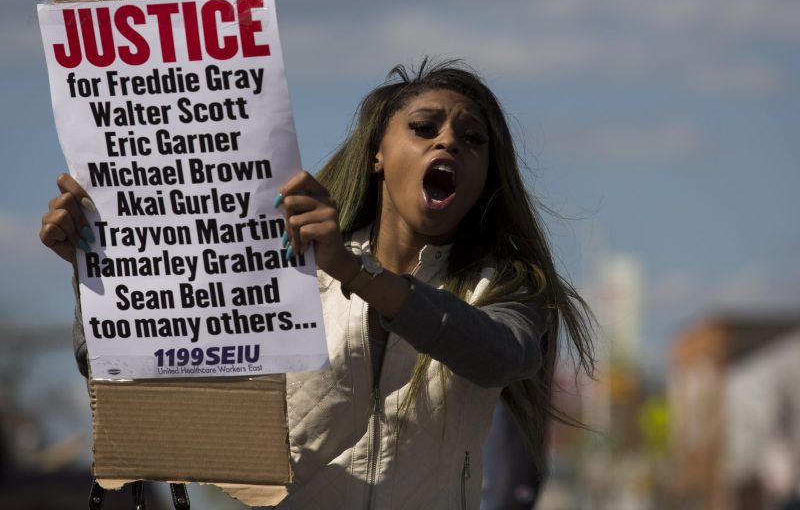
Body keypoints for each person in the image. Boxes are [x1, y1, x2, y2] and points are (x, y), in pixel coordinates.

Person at [40, 59, 594, 509]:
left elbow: (500, 355)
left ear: (486, 177)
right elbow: (144, 388)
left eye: (472, 139)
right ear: (378, 155)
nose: (447, 142)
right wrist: (96, 271)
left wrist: (356, 272)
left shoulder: (506, 287)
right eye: (424, 128)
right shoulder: (289, 273)